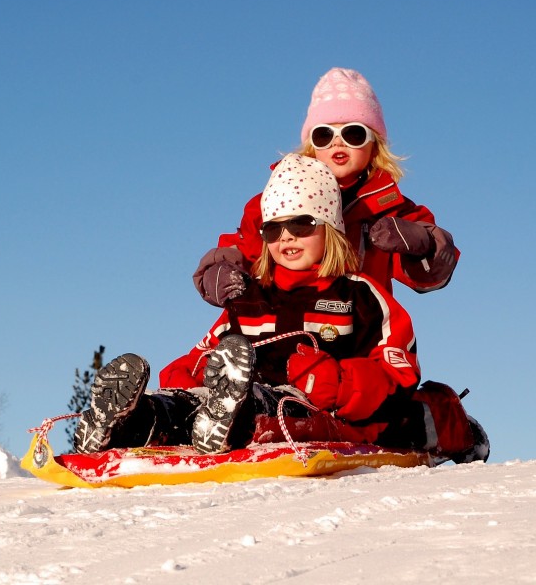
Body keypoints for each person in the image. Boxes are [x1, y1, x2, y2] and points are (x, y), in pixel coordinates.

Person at [74, 154, 488, 463]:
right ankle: (132, 421)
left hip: (313, 408)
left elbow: (398, 376)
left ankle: (227, 417)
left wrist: (339, 382)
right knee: (188, 405)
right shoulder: (251, 298)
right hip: (233, 397)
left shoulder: (360, 295)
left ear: (330, 230)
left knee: (270, 409)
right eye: (274, 228)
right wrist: (189, 376)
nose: (286, 236)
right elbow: (200, 354)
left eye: (302, 224)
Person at [193, 67, 460, 310]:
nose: (337, 143)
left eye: (353, 134)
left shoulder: (392, 209)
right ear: (312, 145)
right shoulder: (279, 200)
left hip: (361, 327)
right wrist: (220, 270)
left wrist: (422, 244)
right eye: (324, 135)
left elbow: (429, 278)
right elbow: (246, 247)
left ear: (375, 144)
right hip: (289, 321)